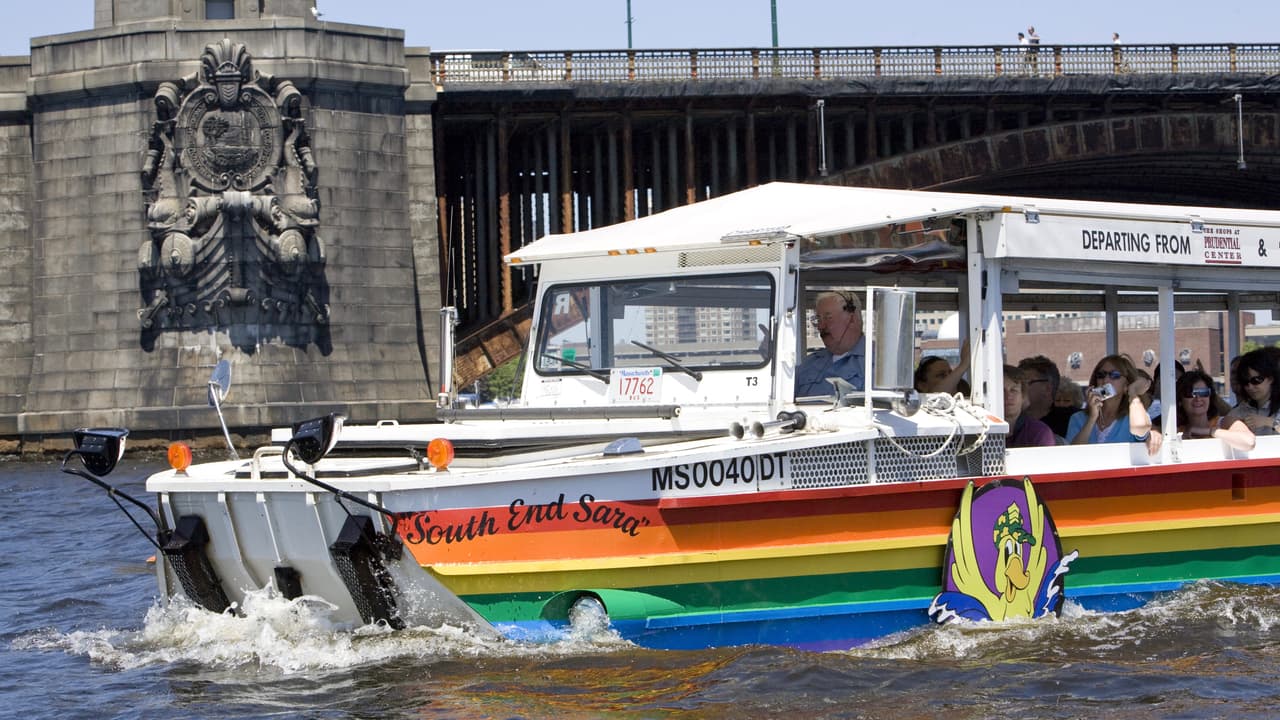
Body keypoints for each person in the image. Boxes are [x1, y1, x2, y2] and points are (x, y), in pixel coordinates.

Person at [1067, 354, 1161, 456]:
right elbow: (1073, 454)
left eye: (1114, 375)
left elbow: (1141, 427)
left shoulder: (1134, 416)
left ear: (1126, 384)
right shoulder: (1078, 418)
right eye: (1101, 375)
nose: (1106, 380)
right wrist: (1092, 417)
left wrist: (1133, 393)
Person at [794, 290, 865, 396]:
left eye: (828, 318)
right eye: (818, 319)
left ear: (852, 319)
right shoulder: (808, 364)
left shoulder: (877, 364)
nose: (821, 326)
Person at [1176, 369, 1255, 451]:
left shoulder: (1225, 423)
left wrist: (1210, 431)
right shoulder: (1174, 431)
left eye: (1203, 393)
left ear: (1210, 397)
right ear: (1180, 400)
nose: (1198, 398)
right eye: (1190, 393)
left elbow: (1249, 442)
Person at [1225, 347, 1280, 436]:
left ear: (1270, 379)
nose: (1250, 387)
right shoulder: (1242, 409)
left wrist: (1268, 422)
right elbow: (1224, 424)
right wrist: (1237, 424)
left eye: (1256, 380)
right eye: (1245, 382)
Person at [1017, 355, 1074, 439]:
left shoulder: (1071, 419)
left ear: (1047, 388)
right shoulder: (1010, 420)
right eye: (1018, 383)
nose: (1019, 387)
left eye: (1026, 382)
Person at [1004, 364, 1055, 448]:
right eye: (1002, 391)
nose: (1008, 396)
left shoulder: (1039, 432)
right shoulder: (979, 431)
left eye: (1014, 390)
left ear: (1023, 396)